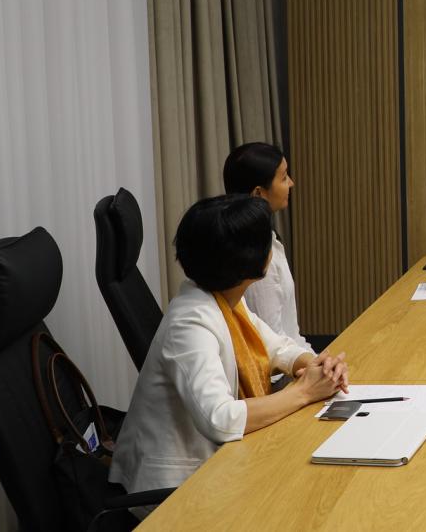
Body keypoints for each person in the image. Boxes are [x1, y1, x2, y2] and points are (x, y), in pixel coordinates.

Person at [110, 195, 350, 495]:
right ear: (252, 260)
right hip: (177, 491)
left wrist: (311, 364)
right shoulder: (190, 321)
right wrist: (304, 391)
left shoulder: (223, 297)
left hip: (221, 466)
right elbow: (219, 419)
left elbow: (274, 346)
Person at [223, 142, 311, 351]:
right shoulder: (253, 254)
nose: (291, 183)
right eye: (283, 177)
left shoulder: (263, 237)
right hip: (277, 375)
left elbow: (289, 335)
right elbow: (271, 346)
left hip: (293, 357)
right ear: (258, 193)